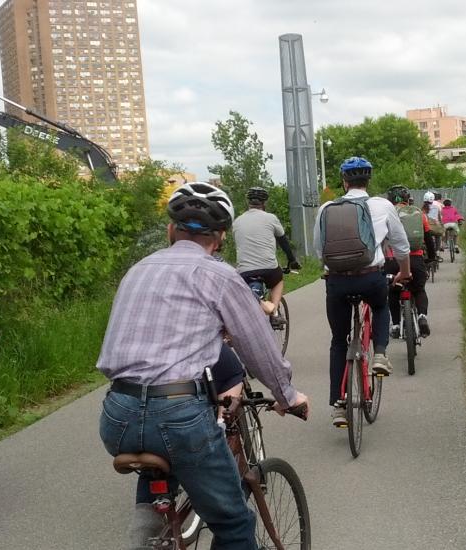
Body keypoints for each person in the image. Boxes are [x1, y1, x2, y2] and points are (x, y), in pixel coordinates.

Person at [96, 181, 311, 549]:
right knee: (234, 523)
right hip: (179, 416)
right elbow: (258, 346)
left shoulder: (137, 270)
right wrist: (287, 395)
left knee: (158, 452)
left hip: (116, 417)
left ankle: (144, 534)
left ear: (169, 230)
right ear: (221, 237)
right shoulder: (218, 274)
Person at [313, 156, 411, 427]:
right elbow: (401, 246)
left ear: (344, 182)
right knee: (380, 306)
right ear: (368, 180)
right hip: (370, 279)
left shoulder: (326, 208)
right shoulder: (382, 205)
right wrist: (403, 271)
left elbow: (319, 250)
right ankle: (379, 353)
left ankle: (339, 405)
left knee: (337, 341)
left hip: (337, 282)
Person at [233, 187, 301, 317]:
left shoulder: (237, 221)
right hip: (268, 268)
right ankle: (273, 310)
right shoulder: (271, 218)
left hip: (244, 271)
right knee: (278, 279)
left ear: (248, 203)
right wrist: (292, 260)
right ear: (264, 203)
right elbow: (283, 242)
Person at [385, 186, 432, 339]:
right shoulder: (419, 214)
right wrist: (431, 257)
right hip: (416, 259)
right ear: (407, 199)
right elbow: (429, 238)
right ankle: (422, 316)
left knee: (393, 291)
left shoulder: (387, 215)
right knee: (419, 290)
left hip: (394, 260)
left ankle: (397, 325)